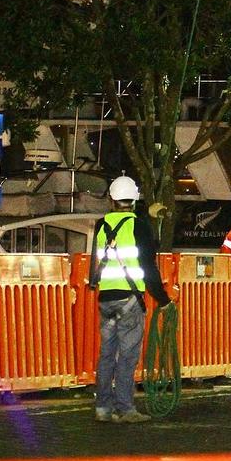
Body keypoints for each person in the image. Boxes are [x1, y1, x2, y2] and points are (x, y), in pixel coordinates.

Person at [90, 176, 171, 423]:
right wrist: (163, 300)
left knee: (107, 354)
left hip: (106, 299)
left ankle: (103, 408)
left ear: (112, 199)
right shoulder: (139, 224)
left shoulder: (102, 225)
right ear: (134, 199)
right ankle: (125, 409)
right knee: (127, 356)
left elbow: (96, 260)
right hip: (130, 298)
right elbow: (148, 264)